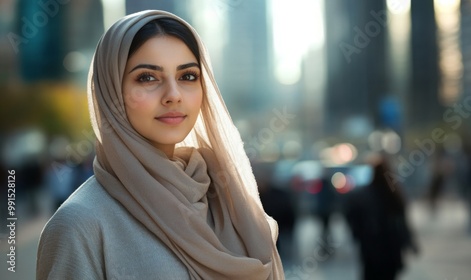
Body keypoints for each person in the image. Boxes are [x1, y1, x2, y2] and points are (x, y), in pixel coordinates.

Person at [36, 10, 284, 280]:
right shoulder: (79, 225)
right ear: (111, 91)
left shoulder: (228, 200)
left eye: (187, 76)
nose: (173, 95)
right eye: (147, 78)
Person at [343, 154, 418, 280]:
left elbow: (351, 216)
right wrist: (408, 241)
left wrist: (358, 234)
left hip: (371, 249)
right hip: (390, 249)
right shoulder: (393, 195)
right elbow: (402, 222)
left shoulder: (363, 195)